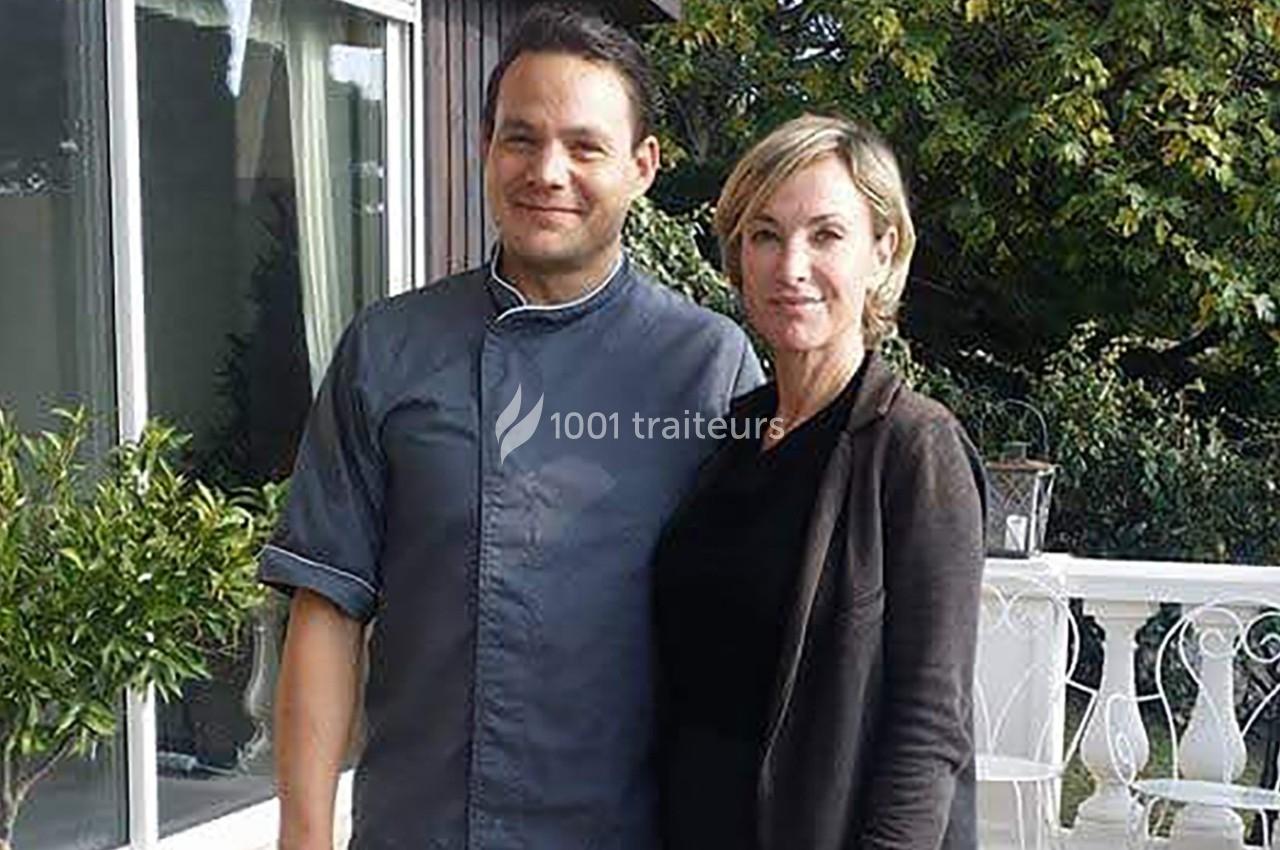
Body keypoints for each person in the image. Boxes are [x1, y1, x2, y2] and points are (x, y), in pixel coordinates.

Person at [259, 6, 762, 849]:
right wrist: (303, 838)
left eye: (585, 146)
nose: (547, 171)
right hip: (418, 829)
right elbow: (327, 605)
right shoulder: (388, 347)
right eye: (521, 138)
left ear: (642, 166)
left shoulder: (708, 366)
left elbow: (750, 634)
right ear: (486, 146)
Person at [654, 114, 986, 850]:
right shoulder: (731, 436)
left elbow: (929, 724)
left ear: (882, 250)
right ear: (739, 256)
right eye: (765, 235)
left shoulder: (915, 448)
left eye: (826, 235)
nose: (791, 266)